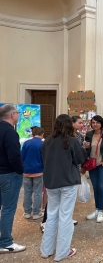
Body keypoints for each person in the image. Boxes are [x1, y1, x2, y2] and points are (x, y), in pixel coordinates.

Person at [40, 114, 87, 261]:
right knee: (65, 216)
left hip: (51, 182)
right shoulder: (71, 141)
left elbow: (44, 159)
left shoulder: (47, 141)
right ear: (69, 125)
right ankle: (62, 252)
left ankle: (46, 250)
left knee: (52, 215)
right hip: (68, 181)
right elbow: (80, 159)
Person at [0, 104, 25, 253]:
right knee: (8, 209)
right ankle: (5, 242)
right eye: (17, 113)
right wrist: (20, 170)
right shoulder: (10, 132)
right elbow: (14, 155)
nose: (18, 115)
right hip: (9, 174)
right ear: (12, 115)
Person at [21, 126, 45, 220]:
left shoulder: (26, 143)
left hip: (26, 171)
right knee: (38, 193)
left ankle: (27, 212)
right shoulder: (42, 144)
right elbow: (44, 158)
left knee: (27, 192)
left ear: (32, 133)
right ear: (42, 134)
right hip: (38, 171)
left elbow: (22, 157)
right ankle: (36, 213)